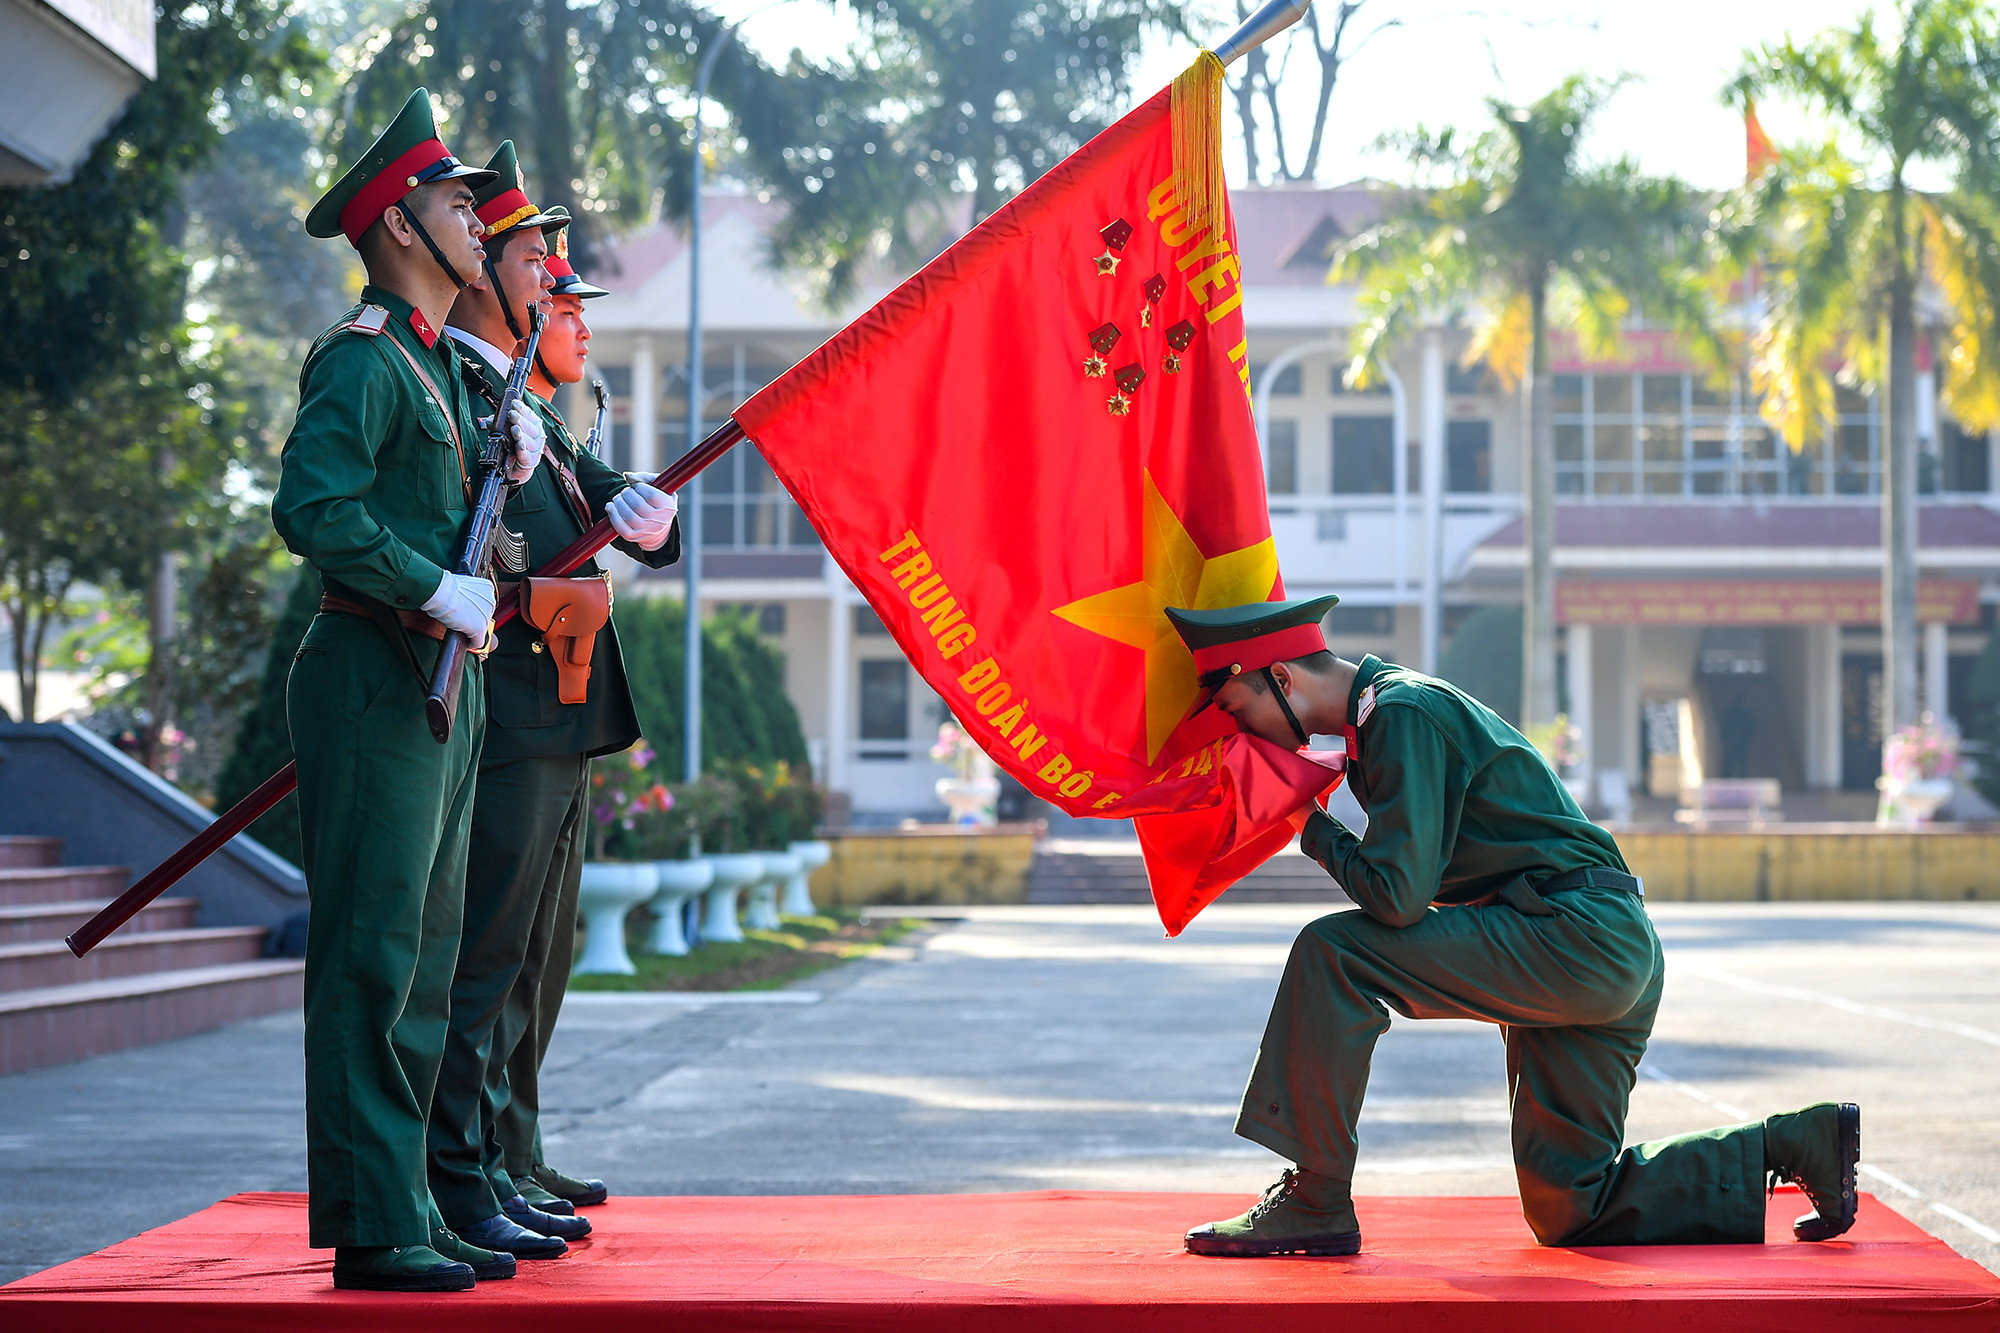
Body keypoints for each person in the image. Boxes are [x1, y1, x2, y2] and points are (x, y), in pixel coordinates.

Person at [1165, 596, 1860, 1258]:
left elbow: (1397, 897)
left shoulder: (1402, 713)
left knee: (1332, 952)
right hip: (1597, 940)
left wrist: (1306, 825)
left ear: (1280, 676)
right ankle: (1796, 1143)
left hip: (1573, 937)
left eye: (1237, 706)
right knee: (1570, 1206)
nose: (1238, 729)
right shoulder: (1384, 719)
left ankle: (1314, 1198)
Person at [279, 88, 546, 1292]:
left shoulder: (442, 375)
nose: (478, 228)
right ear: (396, 225)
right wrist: (426, 584)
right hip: (374, 673)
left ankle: (410, 1205)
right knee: (373, 952)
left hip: (445, 678)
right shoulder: (365, 360)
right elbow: (316, 510)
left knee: (429, 951)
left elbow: (459, 524)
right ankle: (371, 1226)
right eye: (454, 205)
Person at [426, 146, 680, 1258]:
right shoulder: (459, 381)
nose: (547, 271)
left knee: (536, 951)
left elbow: (594, 506)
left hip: (558, 712)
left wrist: (649, 517)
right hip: (511, 706)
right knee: (486, 955)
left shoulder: (524, 399)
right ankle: (463, 1172)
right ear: (479, 269)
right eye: (533, 254)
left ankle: (501, 1153)